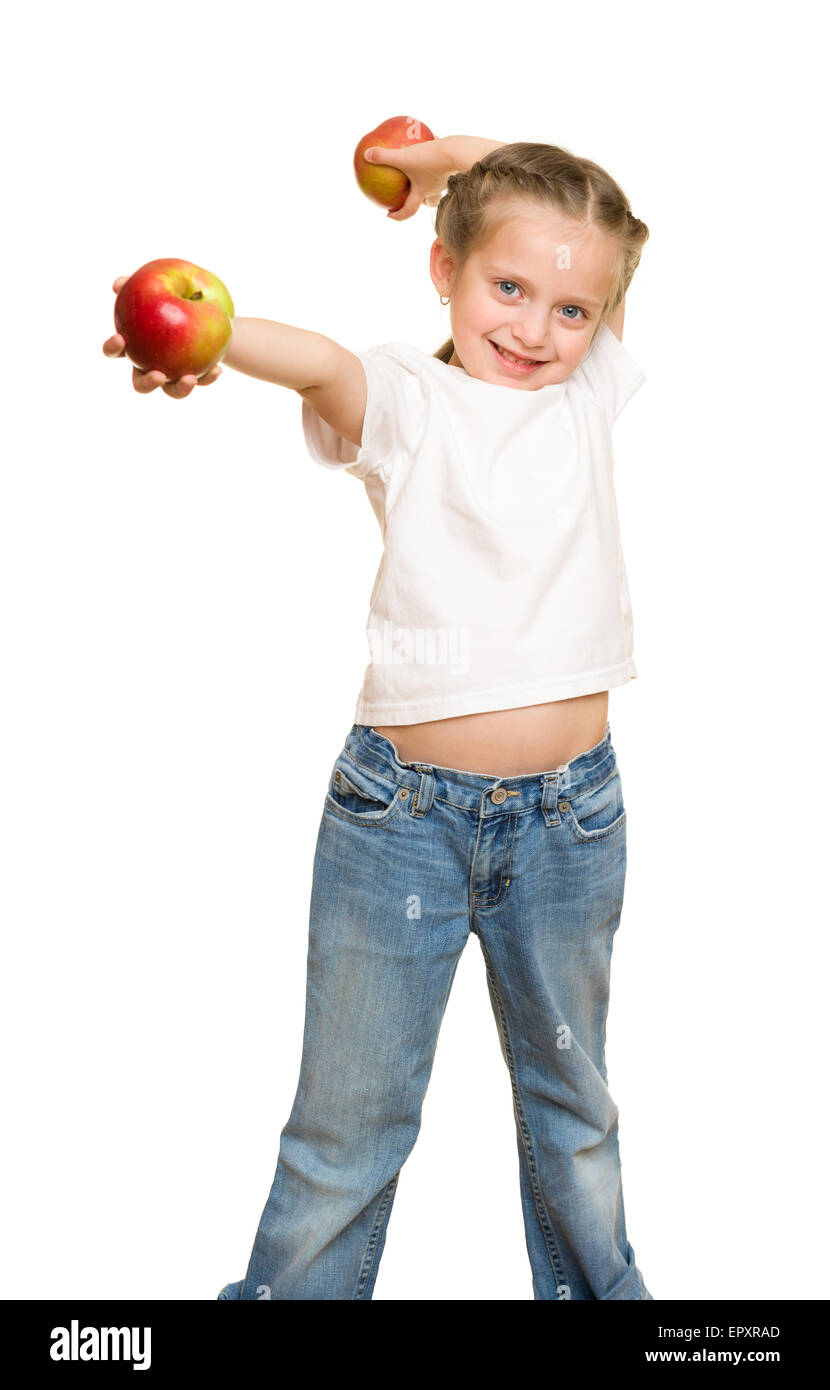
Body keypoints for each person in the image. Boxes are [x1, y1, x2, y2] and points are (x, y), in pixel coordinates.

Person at [103, 134, 653, 1301]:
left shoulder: (587, 387)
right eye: (506, 287)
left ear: (599, 320)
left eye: (569, 307)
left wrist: (455, 158)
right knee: (348, 1126)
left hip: (571, 827)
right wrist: (209, 332)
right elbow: (314, 365)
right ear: (442, 267)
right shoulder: (410, 395)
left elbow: (588, 214)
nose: (533, 327)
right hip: (399, 821)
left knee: (574, 1111)